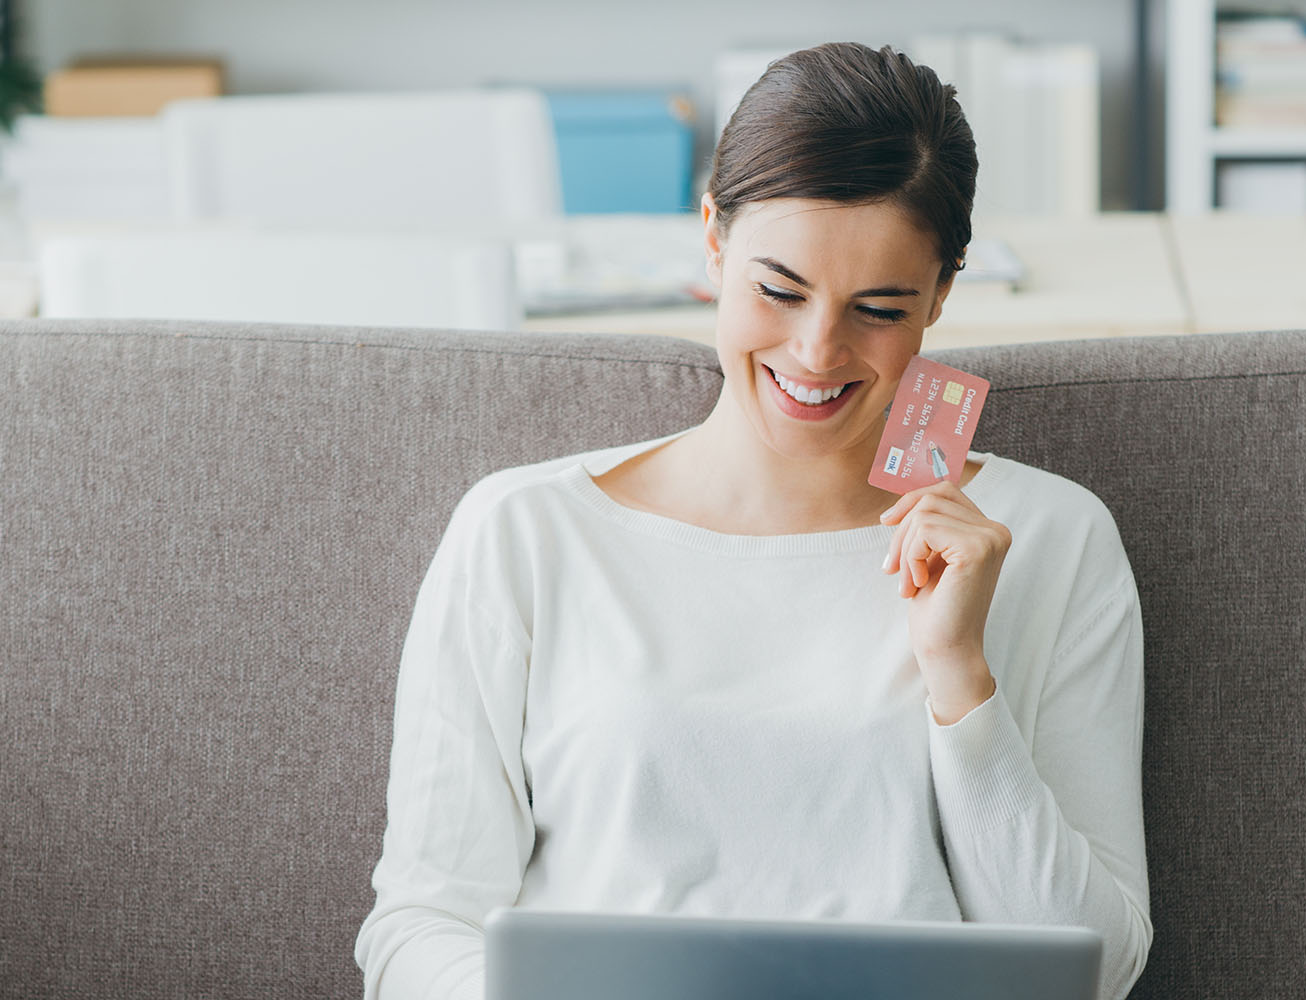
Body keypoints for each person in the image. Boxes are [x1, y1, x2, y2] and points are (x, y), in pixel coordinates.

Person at [356, 41, 1151, 1000]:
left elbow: (1099, 971)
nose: (817, 353)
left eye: (880, 308)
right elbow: (419, 927)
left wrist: (960, 680)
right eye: (779, 290)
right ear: (713, 241)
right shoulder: (524, 533)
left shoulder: (1053, 539)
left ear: (942, 293)